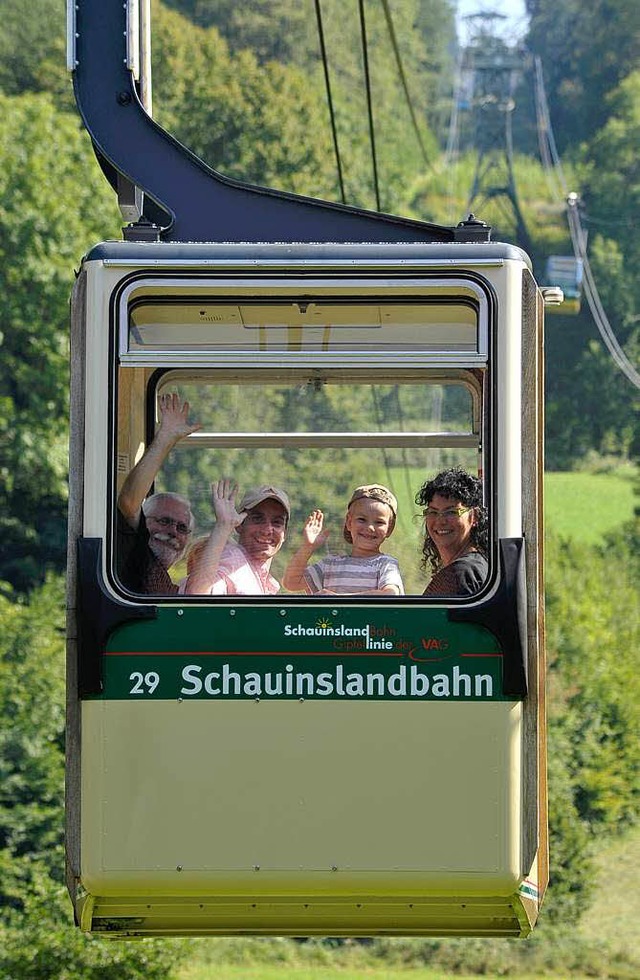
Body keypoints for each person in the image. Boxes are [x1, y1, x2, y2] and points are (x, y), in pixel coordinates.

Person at [117, 393, 200, 594]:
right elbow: (128, 501)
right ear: (142, 521)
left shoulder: (169, 587)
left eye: (182, 528)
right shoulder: (133, 552)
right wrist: (166, 437)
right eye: (164, 521)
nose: (173, 532)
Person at [282, 484, 404, 595]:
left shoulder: (386, 564)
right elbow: (291, 583)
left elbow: (390, 594)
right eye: (362, 519)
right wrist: (308, 547)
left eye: (379, 522)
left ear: (390, 529)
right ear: (349, 522)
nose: (370, 528)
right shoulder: (330, 564)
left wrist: (339, 599)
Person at [183, 479, 290, 595]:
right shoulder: (231, 560)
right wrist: (222, 526)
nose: (267, 530)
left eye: (277, 522)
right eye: (258, 519)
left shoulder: (265, 580)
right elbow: (197, 598)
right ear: (239, 525)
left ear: (285, 533)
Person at [415, 468, 488, 597]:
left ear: (475, 516)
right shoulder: (472, 566)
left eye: (451, 512)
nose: (440, 520)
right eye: (433, 512)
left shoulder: (461, 574)